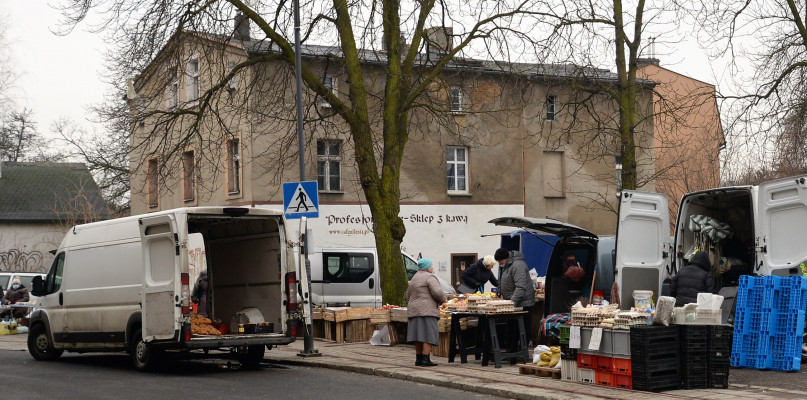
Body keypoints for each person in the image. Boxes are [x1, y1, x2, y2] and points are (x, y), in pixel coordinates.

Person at [406, 258, 446, 367]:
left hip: (414, 310)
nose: (432, 267)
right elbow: (438, 292)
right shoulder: (430, 277)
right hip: (427, 310)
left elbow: (408, 295)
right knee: (428, 334)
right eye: (431, 265)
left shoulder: (414, 277)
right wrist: (443, 300)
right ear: (427, 267)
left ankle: (418, 359)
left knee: (417, 335)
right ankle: (425, 359)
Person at [495, 248, 536, 345]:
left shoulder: (518, 265)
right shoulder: (507, 265)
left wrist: (512, 302)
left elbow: (520, 287)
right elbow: (505, 280)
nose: (499, 263)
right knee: (513, 327)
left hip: (523, 303)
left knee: (522, 328)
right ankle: (513, 348)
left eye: (500, 261)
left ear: (506, 258)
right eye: (498, 261)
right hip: (514, 303)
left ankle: (522, 349)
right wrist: (499, 291)